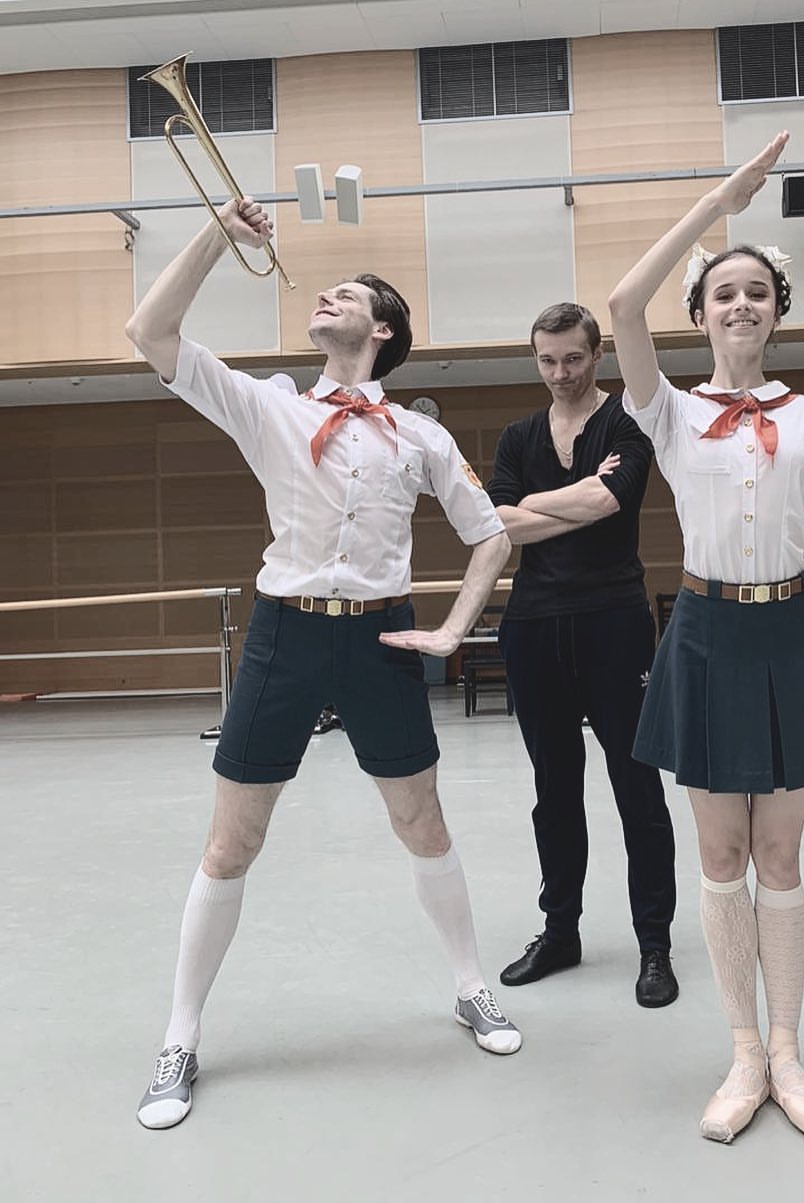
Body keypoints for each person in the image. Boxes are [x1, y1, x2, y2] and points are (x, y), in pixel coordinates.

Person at [126, 197, 521, 1131]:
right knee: (232, 842)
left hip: (383, 638)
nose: (327, 296)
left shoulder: (420, 436)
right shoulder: (268, 405)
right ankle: (180, 1035)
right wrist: (218, 235)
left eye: (351, 293)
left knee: (421, 819)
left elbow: (492, 534)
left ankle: (471, 985)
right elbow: (150, 331)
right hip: (285, 635)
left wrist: (453, 629)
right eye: (328, 290)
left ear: (381, 331)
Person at [607, 131, 804, 1144]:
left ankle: (790, 1054)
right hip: (704, 632)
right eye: (724, 293)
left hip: (791, 634)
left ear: (778, 311)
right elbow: (621, 304)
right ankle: (743, 1053)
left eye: (758, 291)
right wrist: (721, 204)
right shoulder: (668, 411)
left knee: (781, 854)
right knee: (720, 852)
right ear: (702, 313)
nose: (742, 304)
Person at [487, 303, 678, 1008]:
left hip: (613, 622)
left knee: (637, 788)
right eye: (547, 360)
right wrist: (573, 497)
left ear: (598, 355)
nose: (560, 373)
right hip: (534, 626)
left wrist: (541, 505)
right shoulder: (517, 436)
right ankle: (559, 931)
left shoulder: (629, 422)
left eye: (572, 358)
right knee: (555, 791)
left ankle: (653, 944)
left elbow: (608, 502)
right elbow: (499, 523)